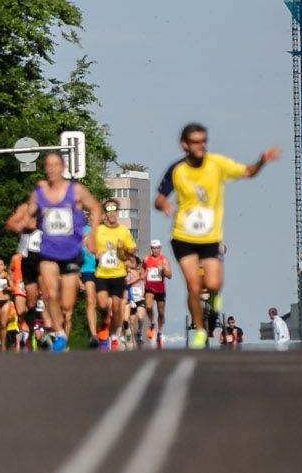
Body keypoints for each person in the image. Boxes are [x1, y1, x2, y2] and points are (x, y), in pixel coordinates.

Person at [153, 123, 279, 349]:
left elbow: (248, 172)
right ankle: (200, 330)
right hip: (183, 236)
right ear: (184, 145)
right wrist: (164, 205)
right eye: (196, 142)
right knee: (192, 286)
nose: (201, 146)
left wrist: (261, 160)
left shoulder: (216, 164)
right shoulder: (177, 170)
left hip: (210, 238)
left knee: (212, 283)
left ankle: (212, 297)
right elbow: (159, 197)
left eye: (204, 141)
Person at [5, 149, 101, 351]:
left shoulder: (75, 190)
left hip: (71, 251)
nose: (51, 170)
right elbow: (28, 215)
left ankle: (61, 328)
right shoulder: (38, 194)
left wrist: (92, 235)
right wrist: (17, 225)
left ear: (63, 168)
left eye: (55, 165)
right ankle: (59, 333)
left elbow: (95, 208)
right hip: (48, 251)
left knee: (66, 304)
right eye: (47, 166)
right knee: (49, 293)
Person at [87, 199, 138, 350]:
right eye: (109, 210)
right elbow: (89, 245)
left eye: (114, 210)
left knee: (116, 307)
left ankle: (114, 336)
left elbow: (132, 251)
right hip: (102, 274)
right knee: (103, 304)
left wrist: (124, 249)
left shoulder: (123, 231)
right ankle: (106, 328)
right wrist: (96, 252)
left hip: (118, 274)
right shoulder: (99, 230)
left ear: (118, 212)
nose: (112, 213)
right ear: (105, 214)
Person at [139, 239, 171, 349]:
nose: (155, 250)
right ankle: (152, 322)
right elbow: (142, 270)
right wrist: (143, 275)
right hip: (149, 287)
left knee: (161, 313)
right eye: (153, 248)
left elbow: (170, 275)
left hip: (160, 289)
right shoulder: (146, 259)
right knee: (148, 306)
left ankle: (160, 332)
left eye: (157, 248)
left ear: (160, 248)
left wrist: (163, 271)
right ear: (151, 248)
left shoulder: (164, 260)